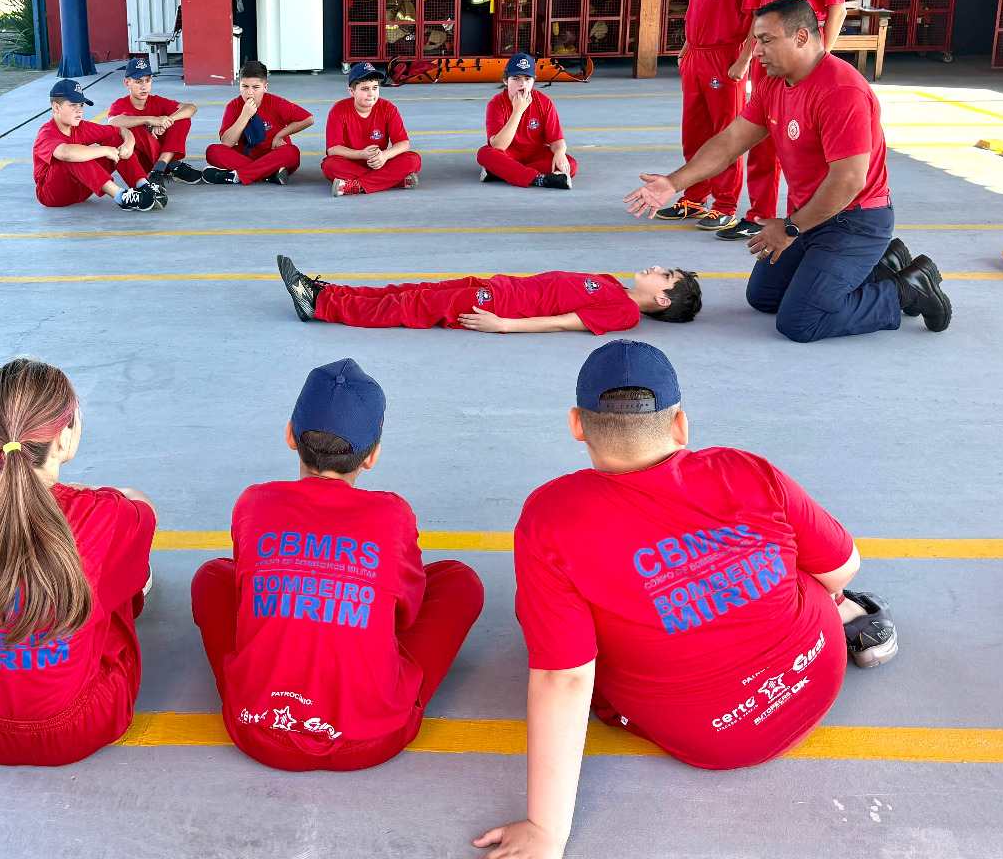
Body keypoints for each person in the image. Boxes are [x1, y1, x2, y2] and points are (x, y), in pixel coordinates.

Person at [473, 340, 896, 859]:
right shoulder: (744, 469)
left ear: (577, 425)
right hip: (818, 672)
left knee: (544, 611)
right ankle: (847, 612)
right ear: (680, 426)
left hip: (716, 737)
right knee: (796, 563)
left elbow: (567, 676)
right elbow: (843, 566)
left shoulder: (551, 517)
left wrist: (546, 830)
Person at [191, 358, 484, 770]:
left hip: (259, 731)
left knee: (212, 576)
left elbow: (248, 598)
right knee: (459, 581)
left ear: (291, 435)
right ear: (372, 456)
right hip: (373, 738)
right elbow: (406, 615)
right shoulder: (392, 516)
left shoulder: (254, 503)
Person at [626, 0, 951, 341]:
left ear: (800, 37)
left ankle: (908, 289)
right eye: (756, 40)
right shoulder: (772, 83)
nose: (758, 50)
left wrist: (791, 229)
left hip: (854, 221)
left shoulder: (841, 91)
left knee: (799, 322)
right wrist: (672, 183)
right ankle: (884, 263)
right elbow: (729, 142)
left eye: (766, 40)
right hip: (809, 215)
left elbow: (849, 181)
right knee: (763, 298)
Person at [0, 357, 157, 767]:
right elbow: (145, 513)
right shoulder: (104, 513)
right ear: (63, 440)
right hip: (75, 727)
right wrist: (93, 495)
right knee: (118, 575)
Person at [716, 0, 850, 243]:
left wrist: (824, 61)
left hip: (805, 57)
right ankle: (759, 213)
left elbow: (836, 8)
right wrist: (747, 57)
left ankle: (804, 218)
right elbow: (758, 12)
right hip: (768, 56)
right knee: (762, 133)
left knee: (804, 140)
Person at [656, 0, 756, 232]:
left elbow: (757, 16)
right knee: (694, 132)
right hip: (696, 57)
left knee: (726, 133)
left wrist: (744, 60)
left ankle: (724, 205)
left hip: (726, 57)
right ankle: (694, 199)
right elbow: (696, 13)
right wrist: (685, 50)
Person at [277, 255, 700, 333]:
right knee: (408, 290)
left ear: (662, 300)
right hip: (493, 287)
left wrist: (504, 326)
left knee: (409, 307)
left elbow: (561, 321)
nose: (655, 269)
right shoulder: (610, 283)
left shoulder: (623, 310)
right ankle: (326, 291)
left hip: (495, 306)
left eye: (665, 276)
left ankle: (319, 305)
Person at [32, 78, 164, 211]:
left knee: (116, 140)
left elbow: (120, 130)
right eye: (73, 105)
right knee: (75, 154)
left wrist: (129, 143)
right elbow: (66, 153)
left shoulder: (81, 127)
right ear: (56, 107)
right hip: (53, 194)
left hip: (83, 189)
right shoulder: (47, 133)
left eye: (81, 106)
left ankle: (143, 186)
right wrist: (106, 150)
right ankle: (122, 197)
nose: (79, 111)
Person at [104, 56, 217, 186]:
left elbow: (191, 108)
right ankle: (174, 166)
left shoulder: (157, 101)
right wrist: (151, 120)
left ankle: (160, 169)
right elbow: (112, 122)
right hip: (141, 161)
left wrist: (167, 120)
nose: (144, 86)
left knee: (181, 119)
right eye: (138, 82)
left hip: (162, 160)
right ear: (127, 83)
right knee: (129, 122)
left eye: (147, 81)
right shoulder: (119, 104)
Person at [204, 60, 315, 186]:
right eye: (245, 86)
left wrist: (279, 136)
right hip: (245, 156)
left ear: (265, 87)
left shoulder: (276, 103)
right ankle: (269, 174)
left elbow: (308, 119)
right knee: (212, 151)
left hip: (274, 155)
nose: (249, 92)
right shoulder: (233, 106)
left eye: (256, 87)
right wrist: (244, 116)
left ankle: (238, 175)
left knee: (292, 153)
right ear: (239, 85)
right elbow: (227, 143)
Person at [321, 62, 422, 196]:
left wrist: (385, 155)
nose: (371, 93)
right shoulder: (339, 110)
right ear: (352, 92)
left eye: (375, 88)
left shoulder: (388, 108)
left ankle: (356, 186)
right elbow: (333, 149)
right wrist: (362, 154)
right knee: (329, 165)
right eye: (365, 89)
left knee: (413, 159)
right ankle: (394, 181)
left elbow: (403, 143)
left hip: (381, 162)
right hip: (351, 163)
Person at [478, 54, 574, 189]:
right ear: (506, 81)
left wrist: (559, 152)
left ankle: (502, 172)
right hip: (509, 152)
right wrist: (518, 111)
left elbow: (556, 140)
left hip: (536, 153)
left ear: (533, 81)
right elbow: (499, 146)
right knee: (485, 154)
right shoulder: (496, 104)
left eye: (527, 79)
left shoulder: (544, 102)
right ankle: (539, 179)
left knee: (571, 164)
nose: (522, 84)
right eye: (516, 79)